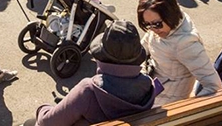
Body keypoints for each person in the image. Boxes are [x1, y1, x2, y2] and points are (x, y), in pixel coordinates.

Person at [25, 20, 161, 126]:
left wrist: (42, 108)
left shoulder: (89, 91)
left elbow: (47, 123)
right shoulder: (147, 85)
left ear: (101, 55)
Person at [137, 0, 222, 106]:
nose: (152, 29)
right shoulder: (165, 25)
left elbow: (214, 85)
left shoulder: (186, 44)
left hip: (167, 103)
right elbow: (140, 50)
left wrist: (187, 109)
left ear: (170, 14)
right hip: (151, 89)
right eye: (147, 25)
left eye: (157, 24)